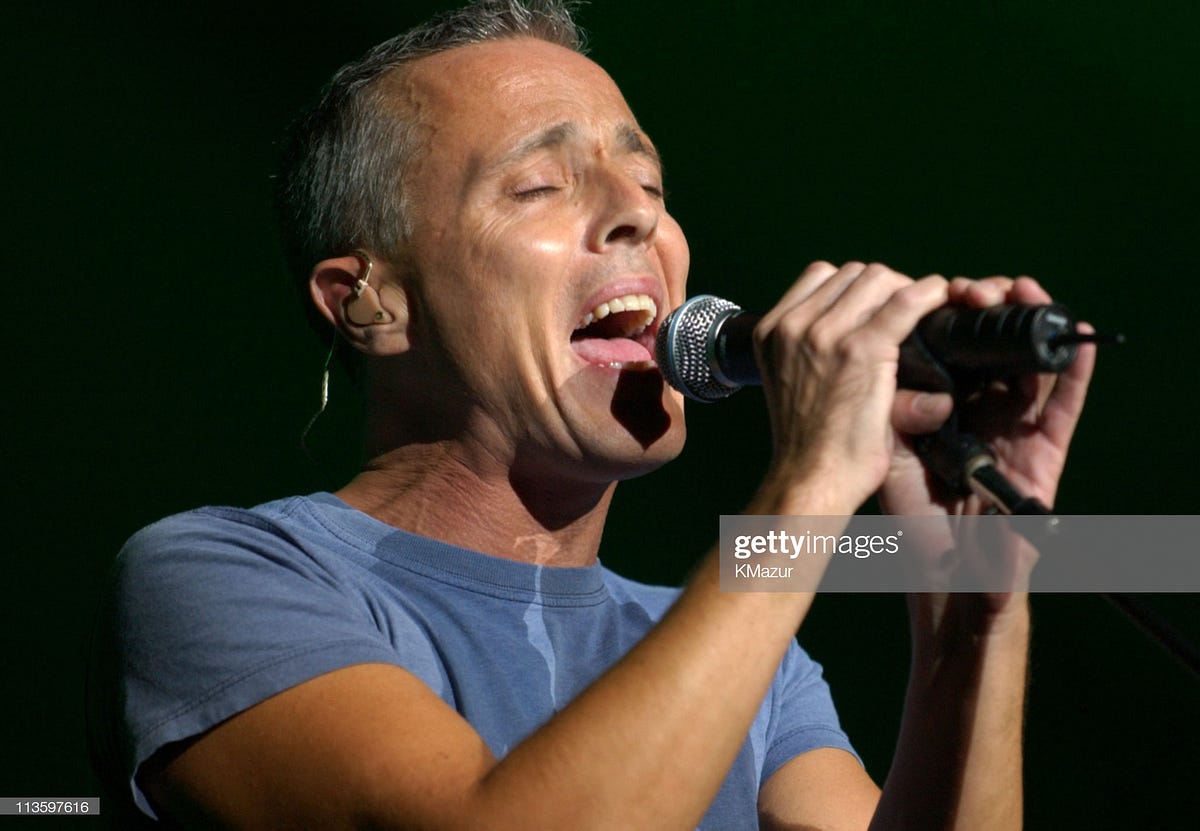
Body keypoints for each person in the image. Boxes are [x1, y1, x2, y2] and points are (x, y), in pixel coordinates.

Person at [86, 1, 1095, 828]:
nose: (639, 213)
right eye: (538, 185)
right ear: (370, 303)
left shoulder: (742, 660)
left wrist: (976, 611)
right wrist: (815, 480)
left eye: (648, 181)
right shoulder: (222, 578)